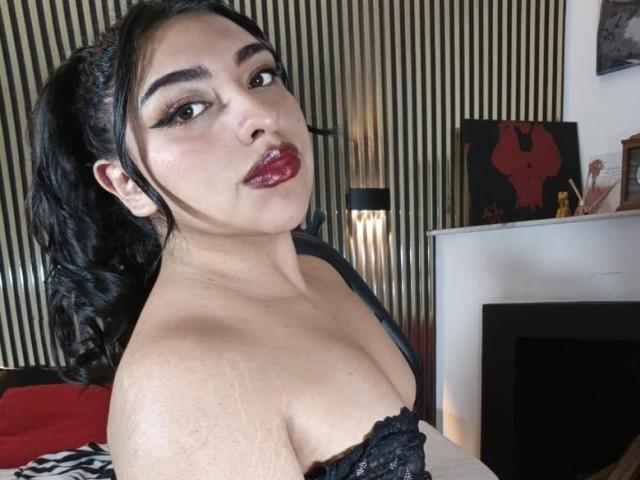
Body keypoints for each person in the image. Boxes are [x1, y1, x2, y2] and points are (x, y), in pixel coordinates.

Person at [27, 1, 430, 478]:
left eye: (260, 76)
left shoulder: (321, 265)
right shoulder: (179, 385)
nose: (260, 115)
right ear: (127, 184)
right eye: (186, 110)